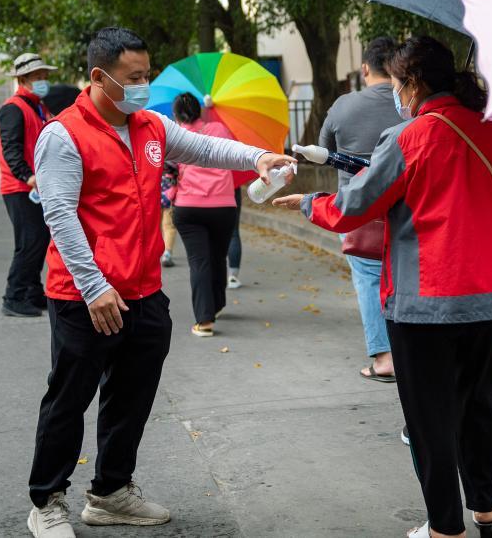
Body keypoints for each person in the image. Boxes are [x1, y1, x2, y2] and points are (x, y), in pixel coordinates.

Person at [26, 27, 293, 538]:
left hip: (144, 292)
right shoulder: (64, 135)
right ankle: (47, 501)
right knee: (69, 399)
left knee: (131, 397)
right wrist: (94, 286)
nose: (143, 85)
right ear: (99, 78)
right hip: (86, 296)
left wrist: (257, 157)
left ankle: (109, 492)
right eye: (134, 77)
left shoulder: (150, 125)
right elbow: (59, 214)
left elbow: (204, 150)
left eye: (147, 74)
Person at [274, 36, 492, 538]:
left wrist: (309, 203)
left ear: (412, 82)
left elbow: (353, 207)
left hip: (427, 297)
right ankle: (485, 510)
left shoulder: (409, 137)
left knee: (429, 418)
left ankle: (445, 528)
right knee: (479, 402)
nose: (396, 92)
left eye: (398, 81)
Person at [318, 35, 402, 382]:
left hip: (359, 210)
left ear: (364, 67)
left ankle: (383, 358)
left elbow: (324, 149)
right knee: (405, 277)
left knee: (369, 279)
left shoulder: (343, 106)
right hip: (406, 206)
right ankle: (411, 352)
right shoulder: (409, 104)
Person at [169, 92, 239, 337]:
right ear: (200, 111)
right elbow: (233, 154)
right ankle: (217, 305)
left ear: (177, 115)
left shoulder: (176, 136)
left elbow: (168, 172)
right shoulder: (218, 129)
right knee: (218, 257)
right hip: (224, 205)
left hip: (189, 207)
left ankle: (204, 320)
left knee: (199, 261)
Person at [0, 52, 55, 318]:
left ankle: (32, 292)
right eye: (38, 77)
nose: (43, 81)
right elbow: (11, 150)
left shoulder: (39, 107)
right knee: (29, 242)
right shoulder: (13, 108)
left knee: (39, 239)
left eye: (45, 76)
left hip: (35, 186)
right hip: (20, 188)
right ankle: (14, 296)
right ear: (22, 79)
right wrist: (27, 176)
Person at [226, 170, 245, 289]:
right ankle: (232, 276)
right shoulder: (231, 151)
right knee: (233, 232)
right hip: (231, 185)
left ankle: (209, 273)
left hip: (202, 189)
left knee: (208, 233)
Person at [159, 162, 179, 267]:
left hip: (154, 193)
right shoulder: (175, 153)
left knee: (154, 227)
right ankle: (167, 253)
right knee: (169, 227)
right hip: (170, 194)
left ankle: (153, 252)